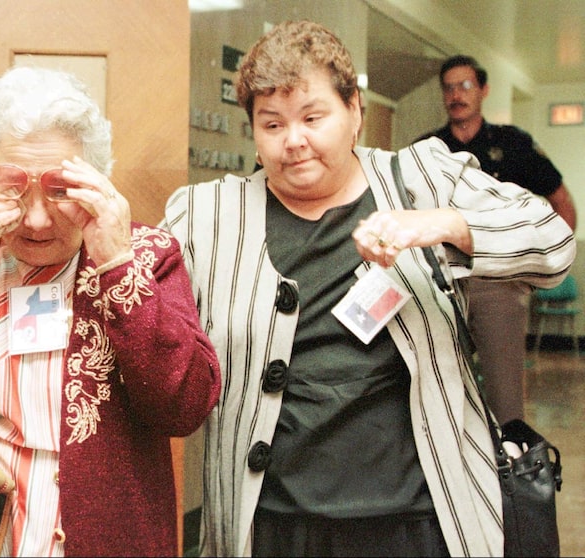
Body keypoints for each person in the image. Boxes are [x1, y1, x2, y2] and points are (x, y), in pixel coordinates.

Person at [160, 20, 575, 557]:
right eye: (272, 124)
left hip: (421, 514)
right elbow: (154, 334)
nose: (295, 140)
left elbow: (553, 244)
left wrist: (445, 225)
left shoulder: (425, 178)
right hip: (271, 520)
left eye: (313, 117)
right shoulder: (205, 216)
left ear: (354, 111)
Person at [0, 66, 221, 557]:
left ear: (96, 180)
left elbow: (185, 405)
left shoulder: (146, 255)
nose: (37, 219)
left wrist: (118, 265)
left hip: (109, 539)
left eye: (60, 188)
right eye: (13, 187)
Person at [415, 54, 577, 425]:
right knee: (439, 391)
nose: (457, 94)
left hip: (500, 280)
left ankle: (511, 465)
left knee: (506, 404)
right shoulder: (428, 151)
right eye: (449, 87)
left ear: (483, 90)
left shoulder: (513, 144)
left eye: (466, 85)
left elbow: (561, 203)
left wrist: (541, 271)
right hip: (443, 283)